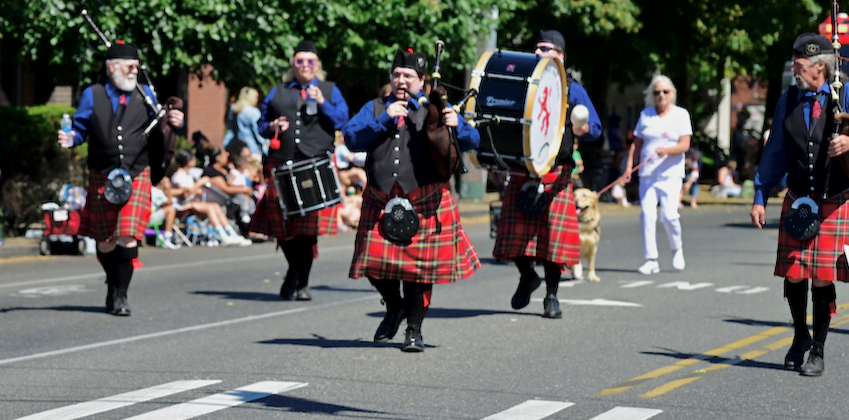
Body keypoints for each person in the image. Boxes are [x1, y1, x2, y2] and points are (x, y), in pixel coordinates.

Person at [750, 33, 849, 376]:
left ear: (819, 67)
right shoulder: (788, 99)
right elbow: (775, 152)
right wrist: (760, 195)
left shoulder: (848, 95)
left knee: (823, 278)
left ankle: (819, 351)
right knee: (795, 275)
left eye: (799, 66)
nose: (794, 71)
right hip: (798, 199)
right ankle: (799, 336)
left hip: (833, 200)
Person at [343, 47, 482, 352]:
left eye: (408, 76)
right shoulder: (376, 107)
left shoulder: (434, 109)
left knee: (418, 274)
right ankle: (395, 307)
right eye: (396, 75)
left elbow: (474, 141)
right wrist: (383, 121)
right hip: (381, 200)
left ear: (421, 80)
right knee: (373, 267)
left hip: (423, 201)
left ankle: (414, 331)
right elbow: (351, 137)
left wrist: (457, 124)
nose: (401, 80)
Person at [58, 40, 185, 316]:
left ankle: (120, 295)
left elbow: (164, 123)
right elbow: (80, 129)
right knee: (105, 241)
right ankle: (113, 281)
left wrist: (176, 120)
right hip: (102, 173)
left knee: (128, 236)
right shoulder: (92, 94)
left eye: (136, 67)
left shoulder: (145, 93)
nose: (134, 72)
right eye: (129, 67)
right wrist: (71, 138)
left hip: (137, 172)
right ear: (112, 67)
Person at [494, 30, 602, 319]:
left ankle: (551, 296)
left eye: (549, 49)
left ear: (562, 57)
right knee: (515, 239)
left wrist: (584, 129)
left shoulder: (573, 89)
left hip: (556, 171)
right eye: (538, 49)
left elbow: (596, 129)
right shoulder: (521, 83)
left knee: (553, 241)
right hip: (522, 168)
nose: (541, 53)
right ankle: (527, 276)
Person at [251, 40, 350, 301]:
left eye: (310, 61)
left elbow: (342, 121)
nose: (305, 66)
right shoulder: (278, 91)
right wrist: (272, 125)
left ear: (317, 65)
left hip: (313, 164)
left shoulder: (329, 90)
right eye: (300, 61)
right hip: (281, 163)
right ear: (293, 64)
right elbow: (261, 124)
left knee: (307, 231)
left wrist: (323, 103)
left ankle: (300, 282)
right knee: (282, 228)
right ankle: (295, 272)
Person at [624, 75, 693, 274]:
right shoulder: (646, 115)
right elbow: (636, 144)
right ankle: (651, 258)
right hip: (647, 174)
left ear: (672, 93)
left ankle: (676, 248)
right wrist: (629, 166)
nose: (661, 95)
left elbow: (684, 144)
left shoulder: (681, 115)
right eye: (657, 92)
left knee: (669, 216)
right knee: (647, 215)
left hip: (670, 174)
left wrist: (666, 150)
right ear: (652, 95)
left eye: (665, 92)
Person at [162, 151, 249, 246]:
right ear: (188, 161)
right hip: (181, 206)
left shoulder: (188, 174)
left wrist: (197, 189)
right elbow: (185, 195)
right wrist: (199, 183)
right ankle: (223, 236)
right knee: (210, 208)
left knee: (215, 206)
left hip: (191, 204)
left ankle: (232, 234)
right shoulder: (178, 176)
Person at [224, 87, 268, 157]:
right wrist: (266, 143)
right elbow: (258, 132)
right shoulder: (253, 112)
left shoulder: (234, 109)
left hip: (238, 147)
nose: (257, 99)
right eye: (256, 97)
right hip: (253, 149)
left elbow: (230, 129)